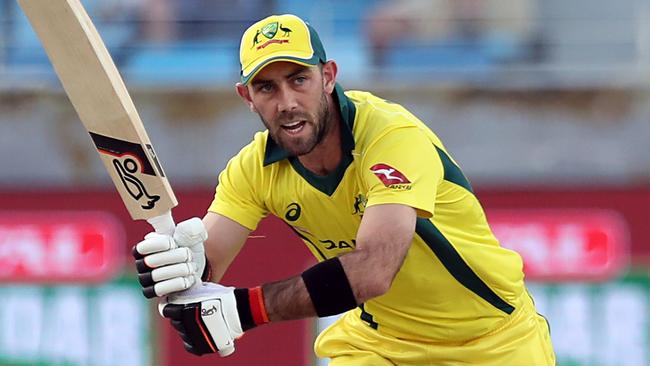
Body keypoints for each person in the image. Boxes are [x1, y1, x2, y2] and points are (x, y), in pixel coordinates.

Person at [132, 13, 556, 365]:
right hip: (379, 344)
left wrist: (245, 310)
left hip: (493, 341)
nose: (287, 102)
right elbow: (209, 263)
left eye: (299, 79)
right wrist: (180, 272)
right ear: (247, 96)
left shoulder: (391, 136)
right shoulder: (252, 168)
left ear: (328, 76)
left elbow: (374, 269)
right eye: (267, 87)